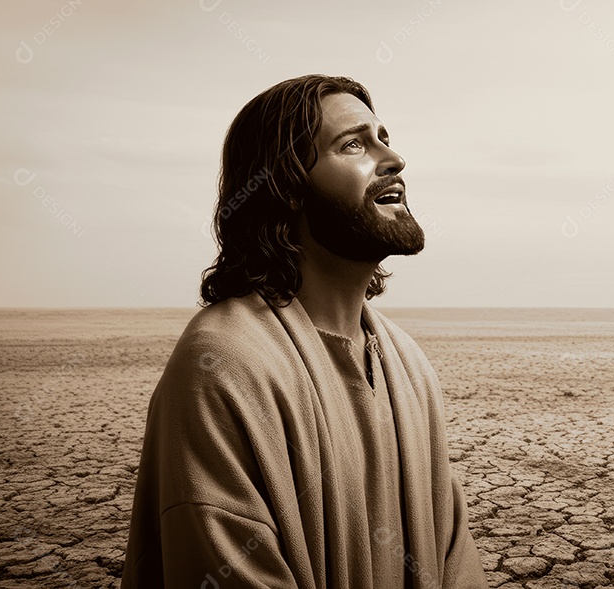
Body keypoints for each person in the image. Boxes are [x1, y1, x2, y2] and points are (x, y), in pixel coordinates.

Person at [121, 75, 488, 588]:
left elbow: (454, 556)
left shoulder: (408, 363)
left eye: (384, 136)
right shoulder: (223, 364)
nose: (393, 158)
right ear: (285, 186)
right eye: (354, 144)